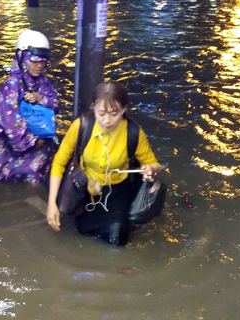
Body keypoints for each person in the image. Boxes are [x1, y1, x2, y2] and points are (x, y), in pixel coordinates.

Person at [46, 81, 162, 245]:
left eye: (114, 113)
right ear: (93, 107)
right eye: (101, 113)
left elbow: (154, 165)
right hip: (87, 190)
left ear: (123, 109)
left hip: (118, 194)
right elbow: (59, 162)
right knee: (84, 232)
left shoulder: (133, 132)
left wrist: (150, 169)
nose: (107, 120)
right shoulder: (81, 127)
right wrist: (52, 204)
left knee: (117, 239)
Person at [0, 30, 59, 184]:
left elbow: (56, 105)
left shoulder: (43, 81)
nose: (39, 65)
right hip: (8, 147)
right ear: (22, 58)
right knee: (29, 172)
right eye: (34, 60)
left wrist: (41, 98)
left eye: (43, 61)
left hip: (34, 140)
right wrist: (33, 141)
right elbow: (12, 125)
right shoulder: (12, 85)